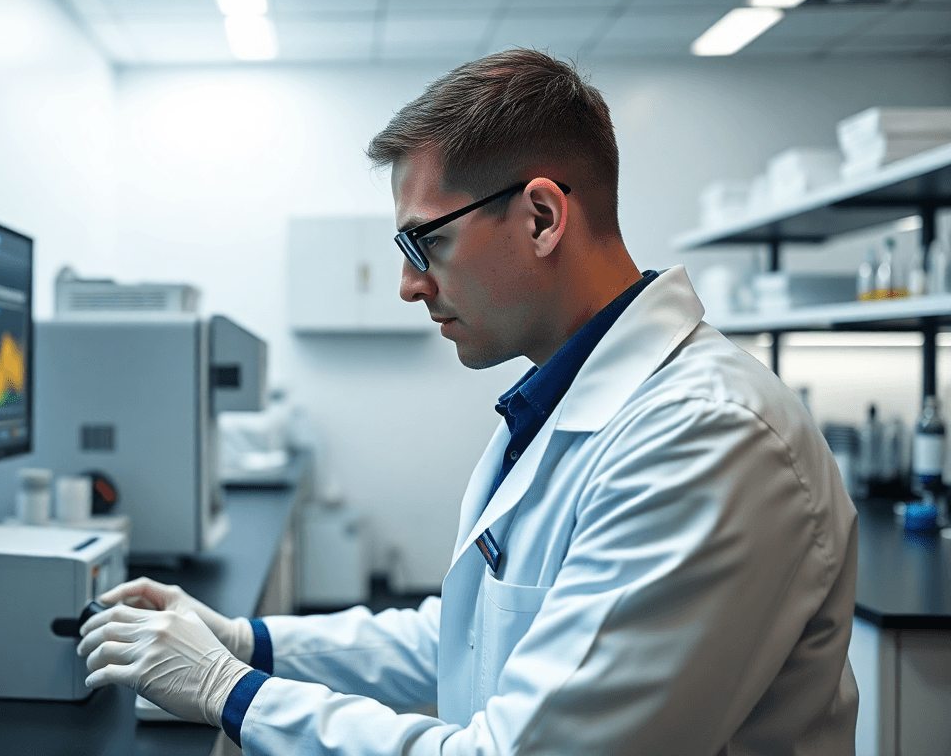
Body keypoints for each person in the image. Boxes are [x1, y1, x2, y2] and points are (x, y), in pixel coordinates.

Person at [76, 49, 858, 755]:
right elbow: (469, 636)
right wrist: (245, 642)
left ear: (542, 218)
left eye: (427, 242)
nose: (409, 285)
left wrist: (230, 692)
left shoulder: (706, 438)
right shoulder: (565, 400)